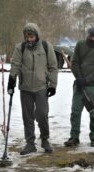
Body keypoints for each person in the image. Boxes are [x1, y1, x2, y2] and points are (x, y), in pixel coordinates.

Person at [7, 23, 58, 155]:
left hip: (41, 87)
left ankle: (45, 139)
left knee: (42, 114)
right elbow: (16, 65)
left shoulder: (46, 47)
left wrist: (52, 85)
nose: (29, 39)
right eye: (27, 36)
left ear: (36, 35)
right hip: (26, 88)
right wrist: (12, 80)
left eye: (31, 36)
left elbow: (53, 67)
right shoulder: (20, 48)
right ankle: (30, 143)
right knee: (27, 116)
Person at [64, 27, 94, 147]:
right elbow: (75, 62)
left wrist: (86, 80)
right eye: (91, 36)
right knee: (75, 112)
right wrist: (79, 79)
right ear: (88, 35)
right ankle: (74, 137)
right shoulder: (80, 45)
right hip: (79, 84)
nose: (93, 39)